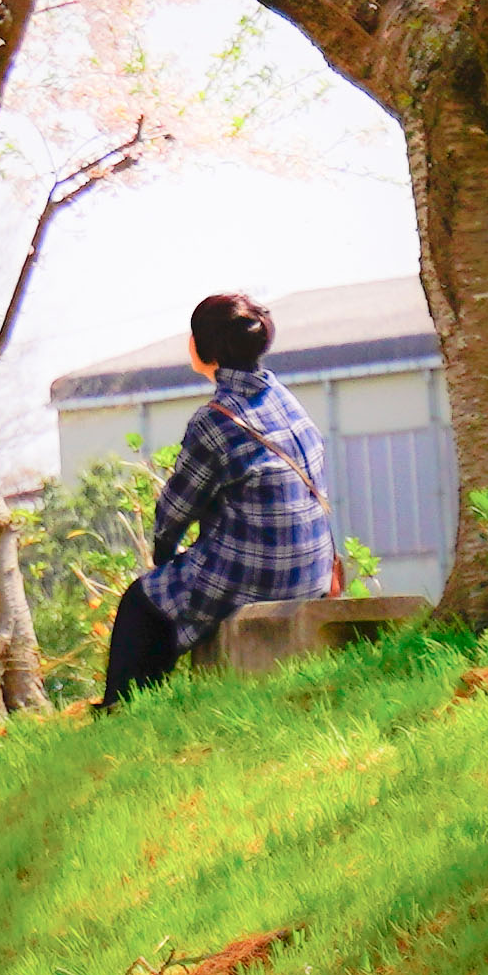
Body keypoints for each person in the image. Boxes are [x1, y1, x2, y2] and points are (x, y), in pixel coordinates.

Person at [103, 291, 331, 707]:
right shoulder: (284, 400)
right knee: (179, 584)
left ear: (202, 347)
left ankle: (126, 712)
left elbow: (175, 511)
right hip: (311, 574)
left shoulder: (216, 419)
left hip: (259, 576)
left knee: (141, 603)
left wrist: (164, 554)